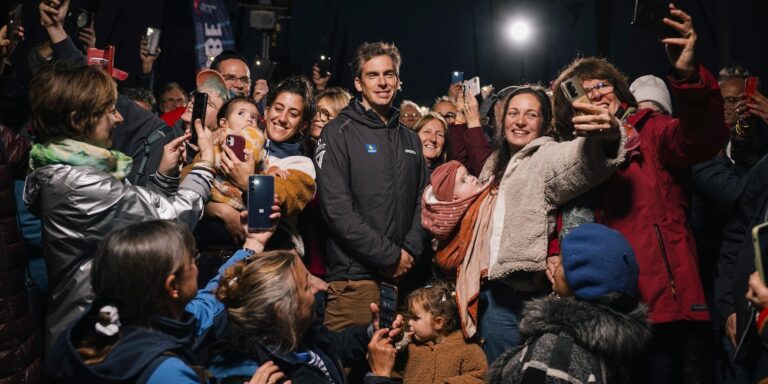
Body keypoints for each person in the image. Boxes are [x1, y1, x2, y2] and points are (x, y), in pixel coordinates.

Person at [550, 6, 727, 382]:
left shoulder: (652, 129)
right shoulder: (566, 158)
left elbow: (700, 138)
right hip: (602, 313)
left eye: (602, 84)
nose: (596, 94)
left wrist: (688, 74)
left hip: (668, 304)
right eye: (583, 91)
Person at [24, 63, 216, 350]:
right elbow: (171, 220)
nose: (119, 117)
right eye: (109, 110)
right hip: (89, 338)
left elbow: (135, 217)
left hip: (99, 325)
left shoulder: (79, 168)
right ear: (78, 120)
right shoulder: (78, 182)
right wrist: (205, 166)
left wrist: (163, 176)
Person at [45, 208, 281, 383]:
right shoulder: (165, 373)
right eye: (192, 260)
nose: (196, 265)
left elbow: (206, 303)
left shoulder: (95, 325)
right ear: (172, 287)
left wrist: (251, 246)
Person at [314, 41, 430, 331]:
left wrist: (408, 254)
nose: (382, 82)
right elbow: (337, 211)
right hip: (354, 282)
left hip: (406, 282)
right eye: (372, 75)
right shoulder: (337, 132)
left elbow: (425, 203)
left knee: (398, 374)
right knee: (348, 372)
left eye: (389, 74)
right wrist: (390, 257)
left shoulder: (411, 139)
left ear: (398, 80)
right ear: (358, 82)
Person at [207, 249, 405, 383]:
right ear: (283, 310)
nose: (315, 289)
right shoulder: (279, 376)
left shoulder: (293, 337)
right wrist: (380, 374)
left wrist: (373, 332)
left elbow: (332, 345)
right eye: (306, 286)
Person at [488, 224, 652, 384]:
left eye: (563, 260)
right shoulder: (612, 346)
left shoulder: (553, 353)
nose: (554, 264)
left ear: (579, 283)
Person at [398, 281, 487, 383]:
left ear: (438, 322)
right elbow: (392, 362)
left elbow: (479, 377)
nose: (409, 322)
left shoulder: (468, 349)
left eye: (416, 318)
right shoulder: (412, 346)